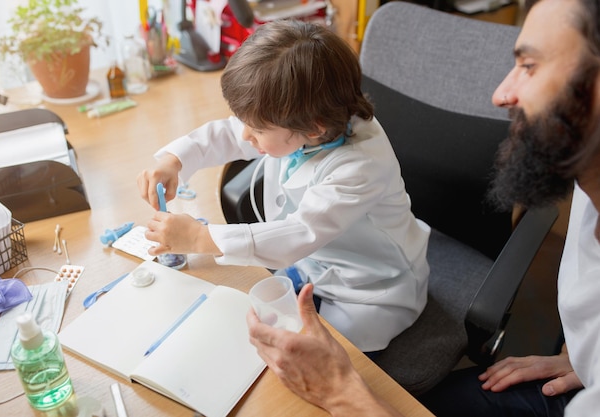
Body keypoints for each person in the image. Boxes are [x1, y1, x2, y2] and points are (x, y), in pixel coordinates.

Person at [246, 0, 600, 415]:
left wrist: (341, 392)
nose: (501, 94)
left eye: (530, 66)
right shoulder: (588, 185)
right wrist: (587, 359)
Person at [136, 19, 430, 353]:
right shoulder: (300, 119)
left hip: (371, 289)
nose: (245, 135)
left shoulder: (361, 166)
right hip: (317, 265)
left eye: (257, 130)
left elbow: (300, 233)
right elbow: (227, 134)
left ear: (313, 130)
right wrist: (174, 160)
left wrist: (201, 239)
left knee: (320, 356)